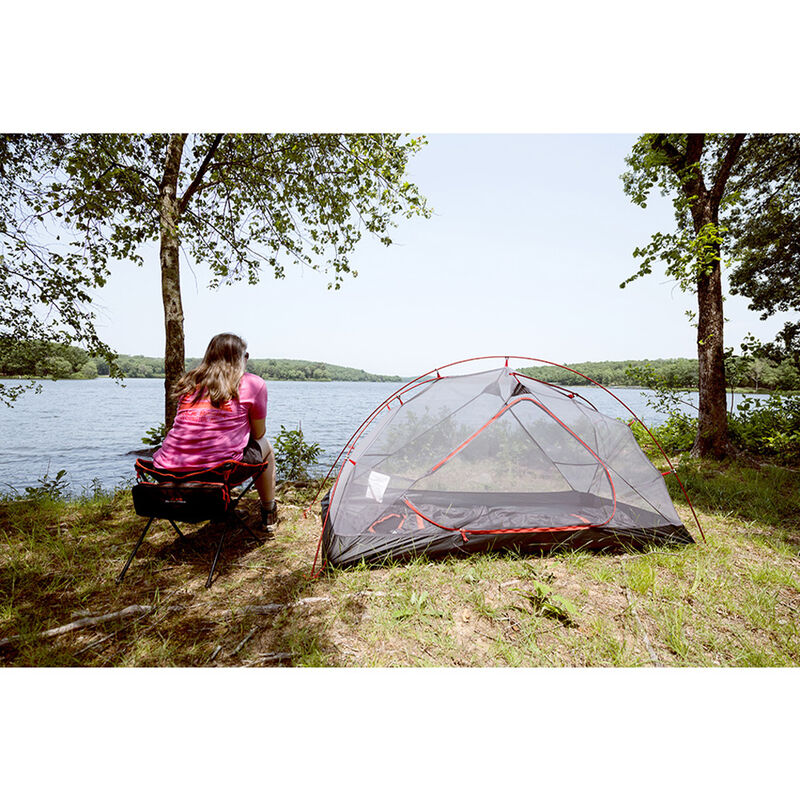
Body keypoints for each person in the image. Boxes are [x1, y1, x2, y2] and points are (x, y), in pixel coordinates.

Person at [153, 332, 278, 531]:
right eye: (245, 356)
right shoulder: (253, 384)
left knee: (218, 454)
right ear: (239, 359)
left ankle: (224, 510)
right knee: (266, 447)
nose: (247, 360)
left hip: (167, 474)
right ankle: (269, 512)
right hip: (216, 475)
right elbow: (258, 434)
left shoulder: (189, 382)